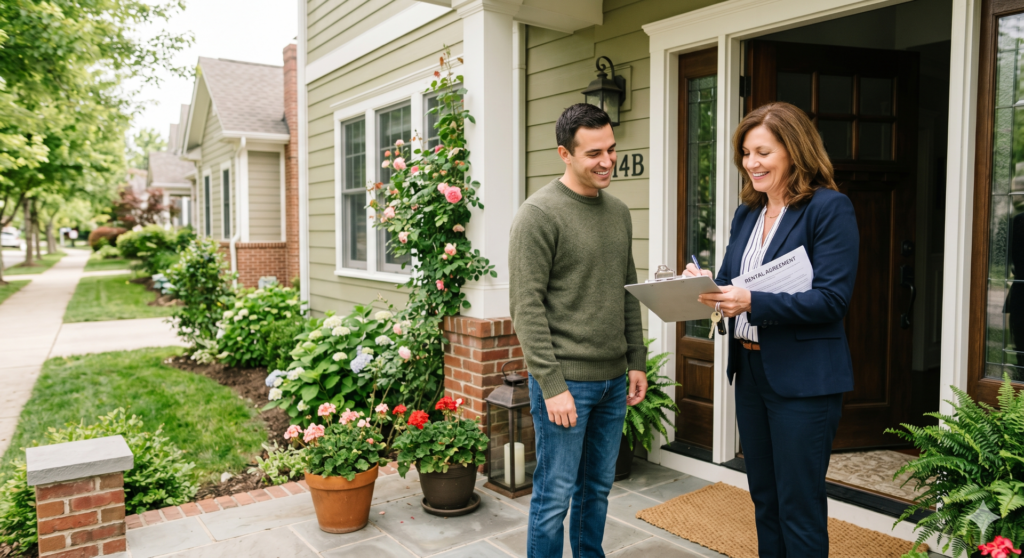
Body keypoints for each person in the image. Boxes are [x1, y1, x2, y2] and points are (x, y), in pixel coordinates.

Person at [683, 102, 859, 557]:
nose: (751, 163)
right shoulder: (748, 214)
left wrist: (753, 301)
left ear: (794, 151)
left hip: (804, 381)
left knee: (798, 505)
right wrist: (699, 286)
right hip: (751, 372)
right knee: (765, 498)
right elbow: (728, 283)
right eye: (745, 153)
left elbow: (833, 300)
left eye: (762, 152)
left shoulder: (828, 208)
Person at [509, 103, 648, 558]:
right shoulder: (539, 214)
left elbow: (626, 291)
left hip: (612, 384)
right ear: (564, 154)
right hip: (566, 384)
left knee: (597, 492)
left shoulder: (619, 212)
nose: (607, 161)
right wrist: (551, 386)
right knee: (553, 497)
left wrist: (636, 361)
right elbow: (525, 307)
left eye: (611, 149)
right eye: (594, 153)